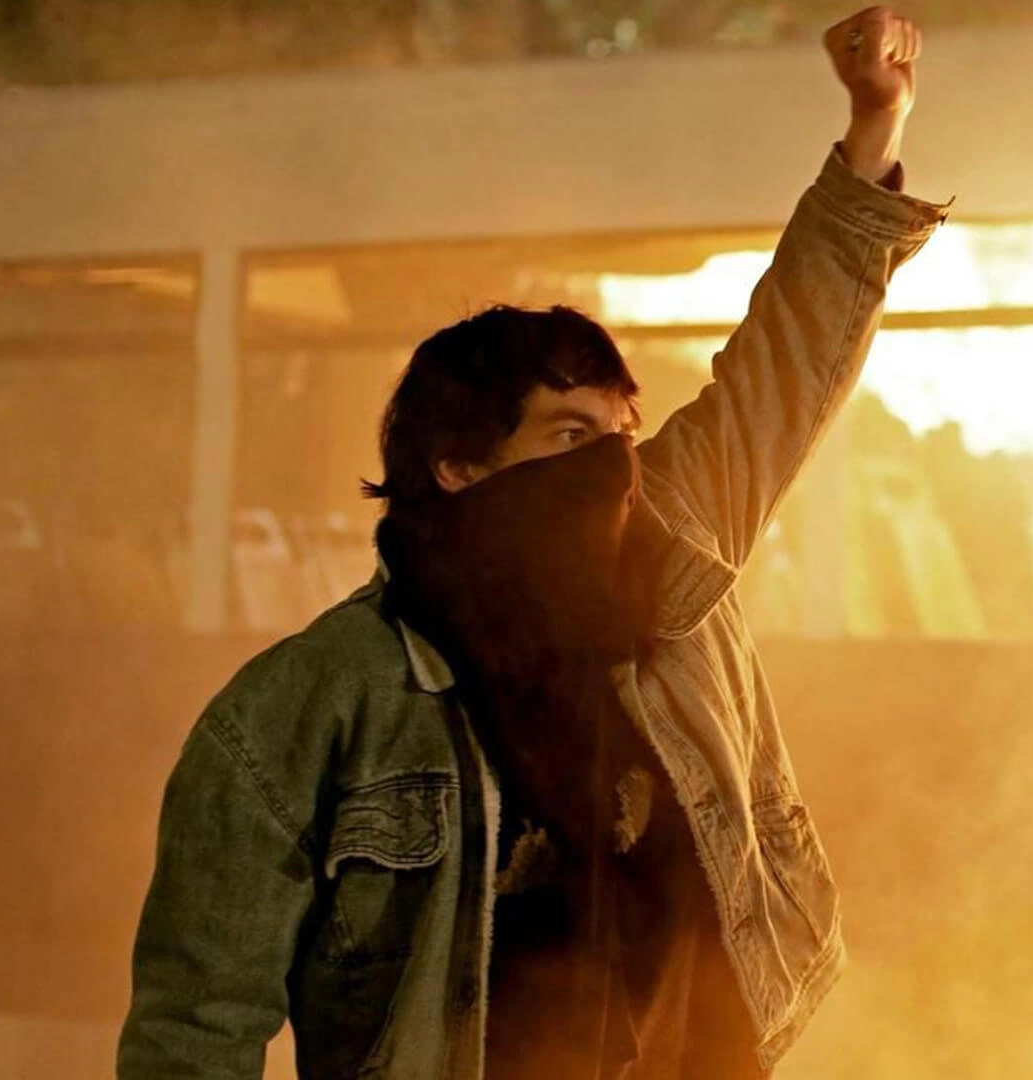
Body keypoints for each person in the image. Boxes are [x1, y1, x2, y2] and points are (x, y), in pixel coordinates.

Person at [116, 7, 948, 1078]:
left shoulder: (669, 552)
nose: (614, 467)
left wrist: (877, 130)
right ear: (458, 469)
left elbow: (784, 365)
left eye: (622, 432)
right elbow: (194, 1031)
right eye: (568, 437)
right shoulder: (304, 711)